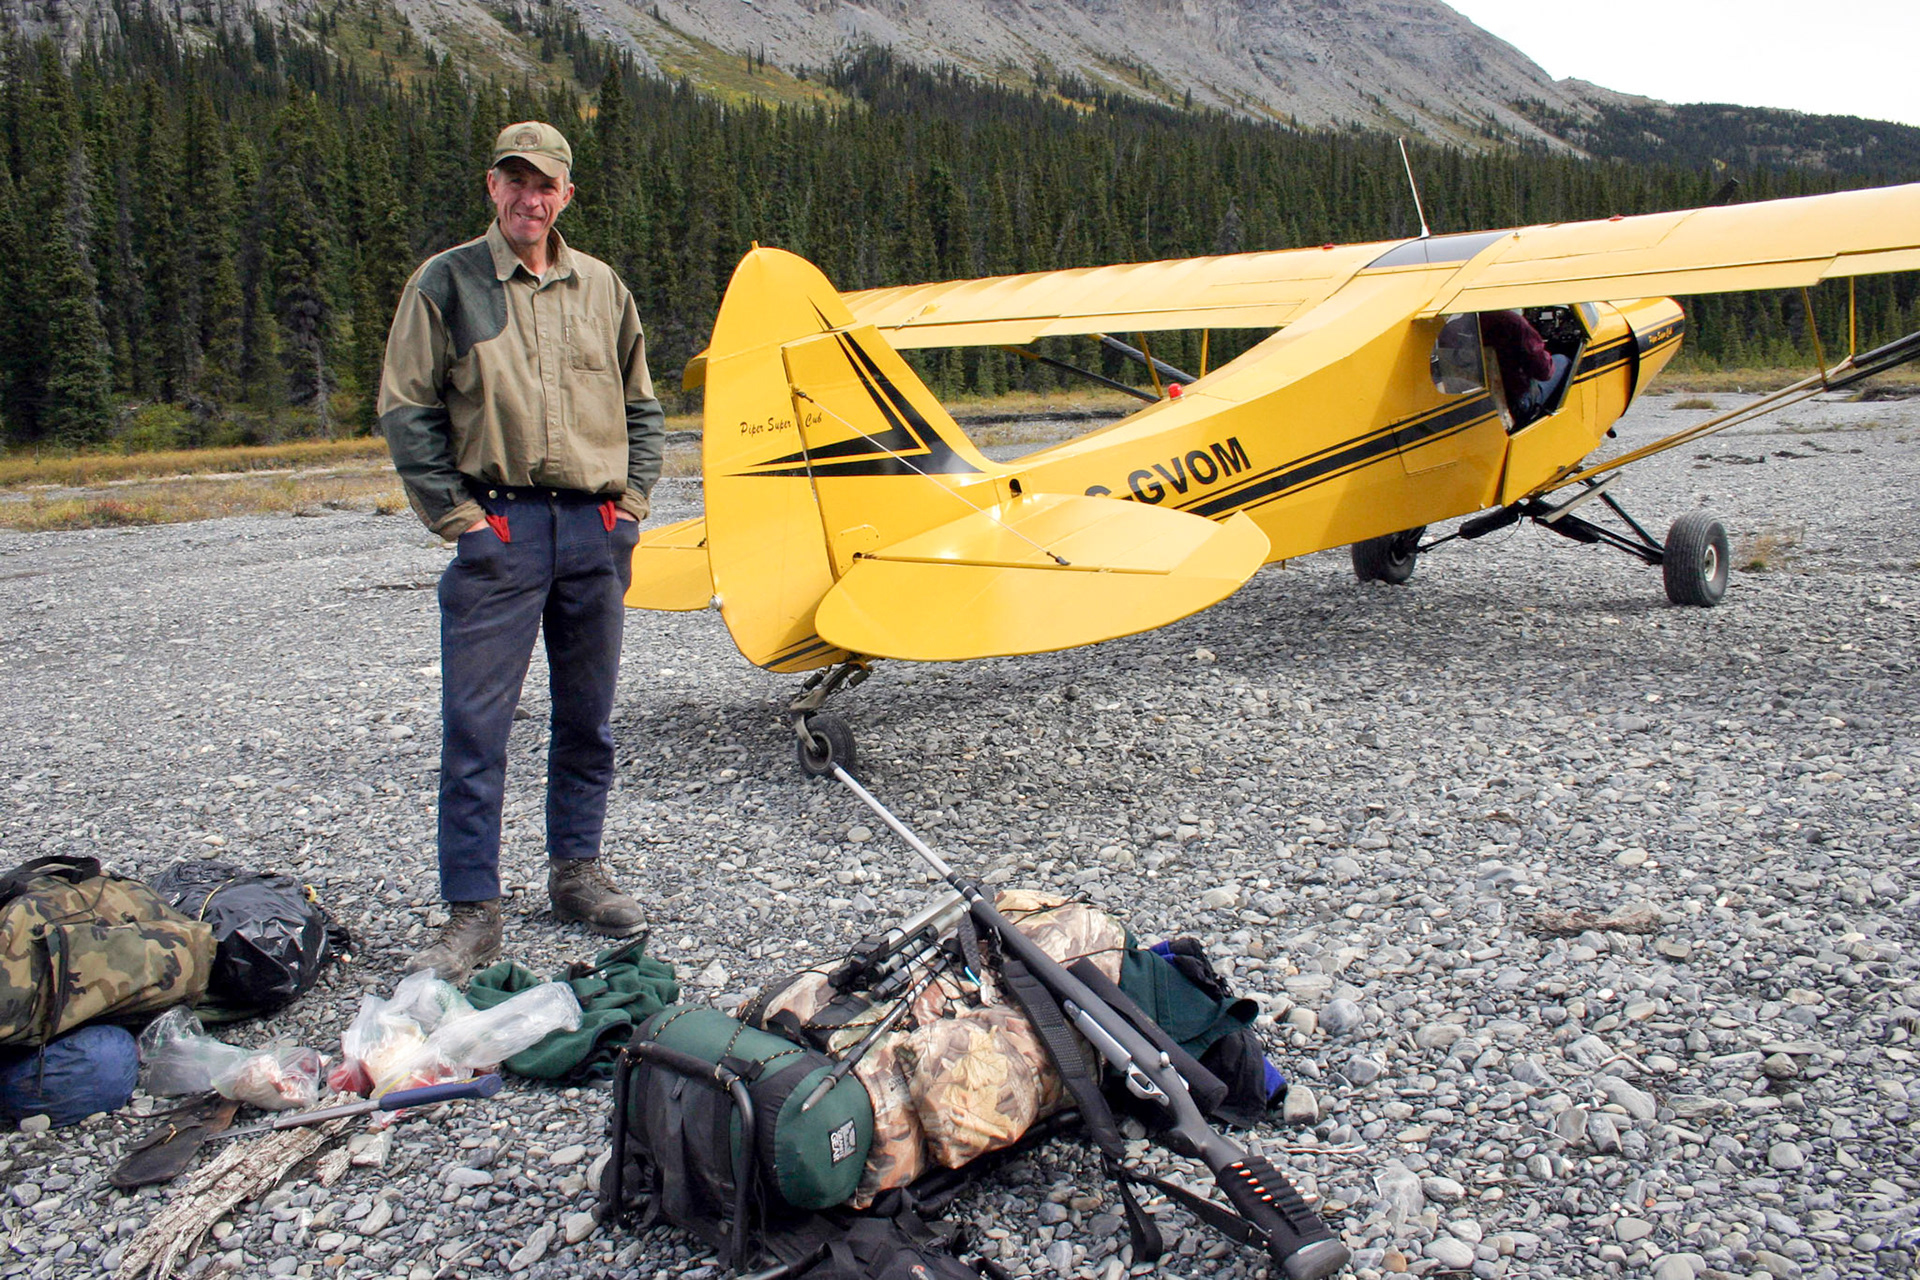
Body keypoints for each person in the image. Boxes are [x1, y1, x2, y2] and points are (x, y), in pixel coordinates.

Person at [379, 121, 665, 983]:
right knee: (477, 727)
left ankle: (576, 874)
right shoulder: (447, 283)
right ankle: (473, 910)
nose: (529, 198)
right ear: (492, 187)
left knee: (589, 719)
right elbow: (407, 410)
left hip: (591, 529)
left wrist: (631, 506)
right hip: (498, 529)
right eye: (514, 181)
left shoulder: (603, 288)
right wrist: (459, 520)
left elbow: (642, 410)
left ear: (566, 195)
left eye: (545, 185)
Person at [1479, 309, 1570, 426]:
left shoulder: (1460, 325)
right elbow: (1544, 371)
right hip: (1514, 405)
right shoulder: (1513, 323)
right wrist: (1542, 350)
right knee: (1563, 360)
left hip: (1480, 405)